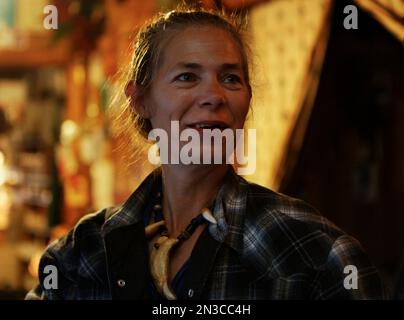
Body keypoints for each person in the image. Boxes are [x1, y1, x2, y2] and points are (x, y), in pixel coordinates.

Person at [27, 7, 385, 300]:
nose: (214, 95)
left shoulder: (312, 255)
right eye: (187, 77)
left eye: (230, 78)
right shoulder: (83, 254)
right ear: (140, 100)